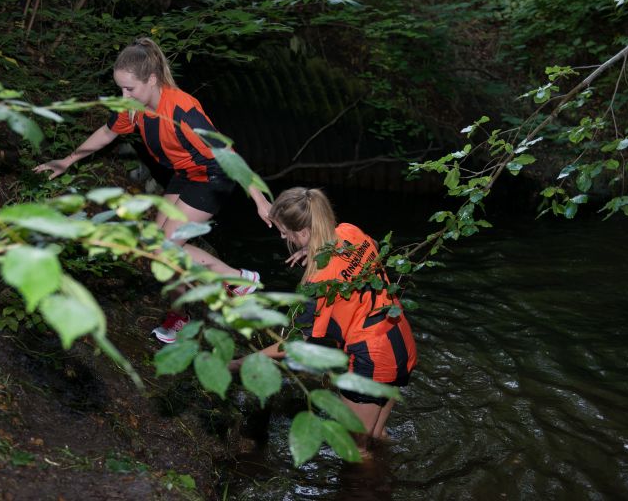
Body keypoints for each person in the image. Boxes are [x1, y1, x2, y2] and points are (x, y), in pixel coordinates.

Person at [34, 38, 272, 343]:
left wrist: (260, 200)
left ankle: (237, 280)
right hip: (185, 174)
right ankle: (181, 315)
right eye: (120, 88)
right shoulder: (134, 107)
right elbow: (107, 132)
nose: (124, 95)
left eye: (129, 89)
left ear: (152, 80)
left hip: (213, 176)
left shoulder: (183, 111)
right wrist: (66, 161)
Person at [228, 187, 416, 446]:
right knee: (376, 435)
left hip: (372, 360)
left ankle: (368, 487)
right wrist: (314, 250)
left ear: (303, 233)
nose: (285, 237)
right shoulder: (349, 231)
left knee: (356, 448)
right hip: (400, 339)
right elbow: (371, 245)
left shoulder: (317, 284)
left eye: (285, 232)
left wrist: (240, 364)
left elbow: (295, 346)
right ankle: (396, 472)